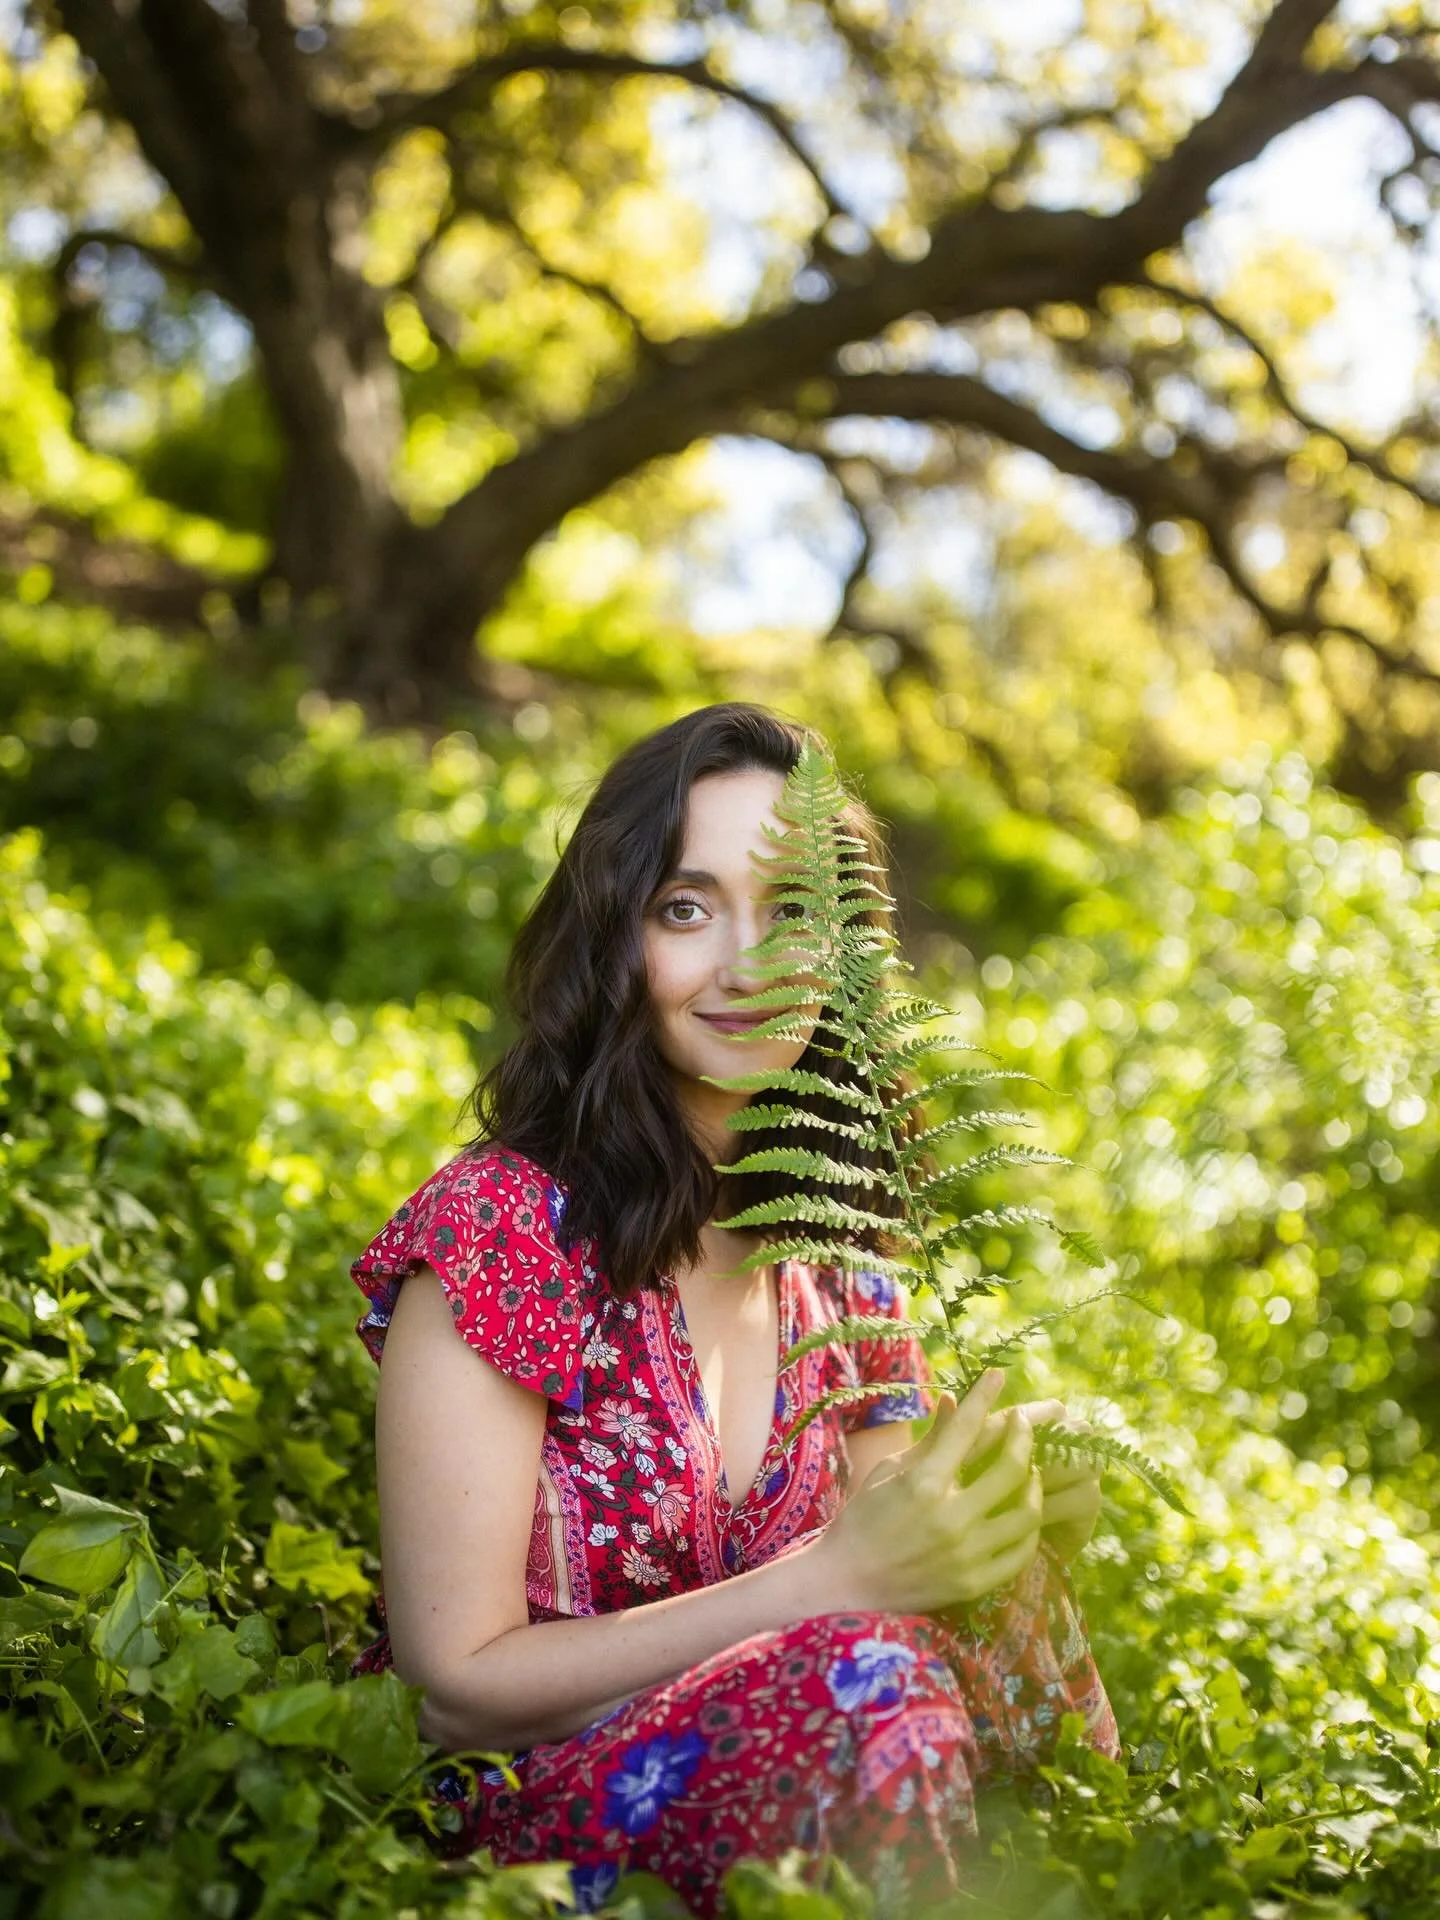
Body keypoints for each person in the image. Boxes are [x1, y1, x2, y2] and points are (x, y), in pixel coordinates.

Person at [347, 702, 1120, 1914]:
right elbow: (455, 1685)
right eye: (688, 908)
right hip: (524, 1803)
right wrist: (822, 1584)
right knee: (871, 1668)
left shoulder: (838, 1249)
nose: (749, 966)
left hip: (802, 1738)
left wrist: (992, 1523)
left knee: (1006, 1598)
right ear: (619, 940)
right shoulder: (502, 1230)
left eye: (793, 913)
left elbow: (894, 1536)